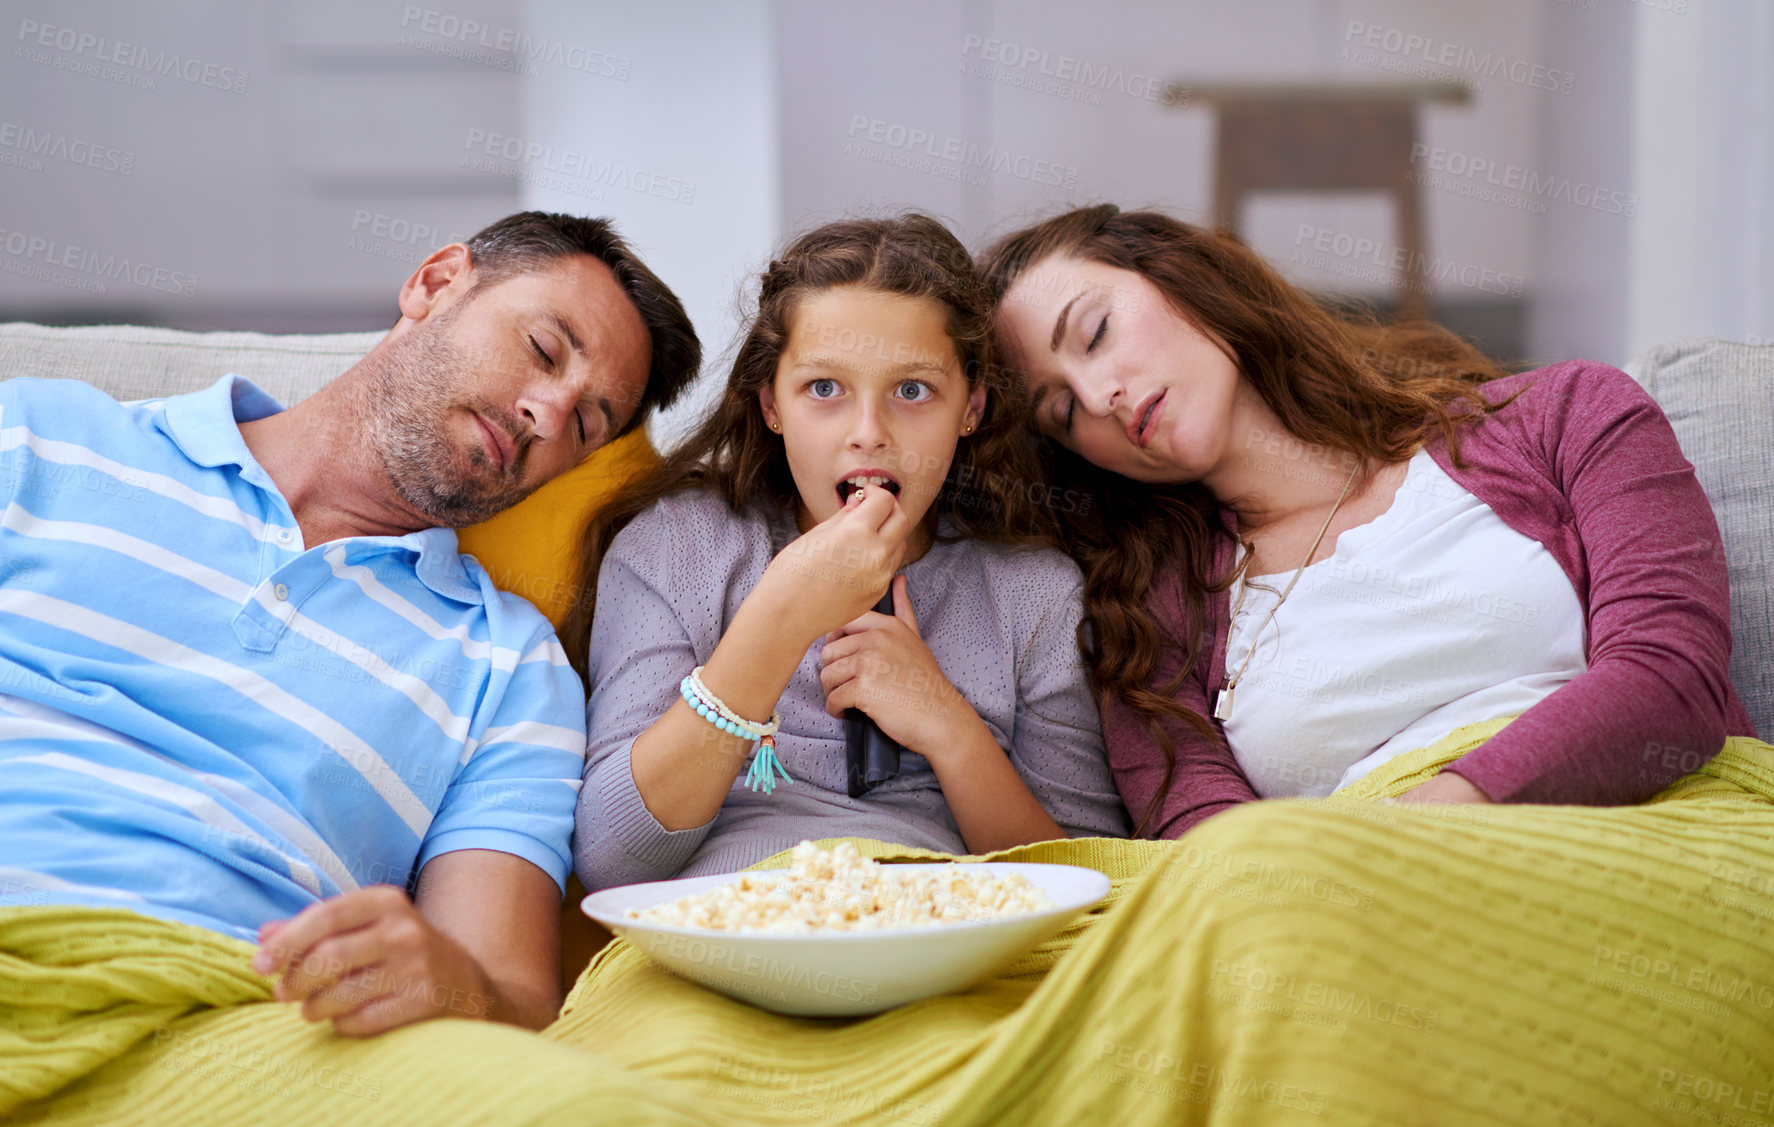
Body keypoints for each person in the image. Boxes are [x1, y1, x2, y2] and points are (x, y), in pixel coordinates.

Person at [0, 210, 699, 1037]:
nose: (547, 412)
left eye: (585, 424)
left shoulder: (508, 666)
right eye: (544, 351)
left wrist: (447, 984)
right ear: (436, 284)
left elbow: (514, 999)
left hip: (240, 1014)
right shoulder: (40, 437)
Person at [981, 203, 1756, 831]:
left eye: (1094, 331)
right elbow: (1215, 852)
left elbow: (1670, 682)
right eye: (1061, 409)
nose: (1097, 396)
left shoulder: (1568, 414)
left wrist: (1431, 823)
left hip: (1652, 832)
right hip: (1357, 920)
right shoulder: (1149, 626)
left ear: (1182, 277)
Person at [567, 213, 1129, 893]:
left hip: (946, 944)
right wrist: (779, 616)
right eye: (824, 389)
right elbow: (612, 857)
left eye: (913, 390)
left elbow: (1091, 883)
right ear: (771, 402)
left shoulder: (1033, 591)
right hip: (722, 941)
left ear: (972, 407)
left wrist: (949, 726)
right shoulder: (675, 548)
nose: (869, 433)